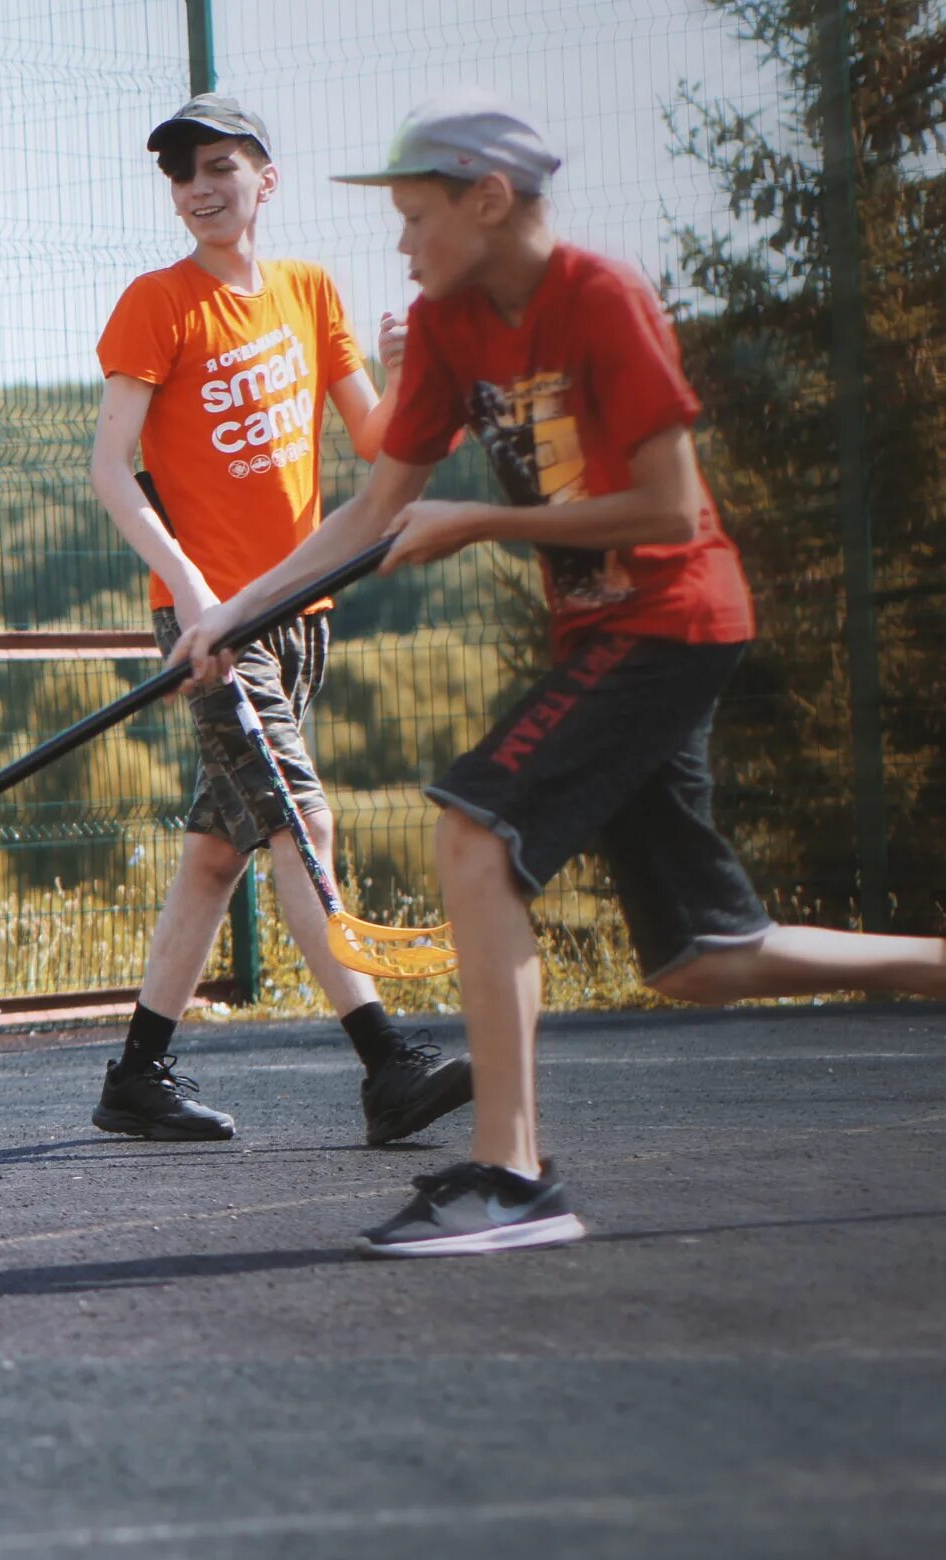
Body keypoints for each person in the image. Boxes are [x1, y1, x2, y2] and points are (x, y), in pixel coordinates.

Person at [175, 96, 946, 1256]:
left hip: (676, 617)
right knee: (701, 959)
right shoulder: (444, 325)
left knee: (472, 833)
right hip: (601, 638)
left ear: (489, 200)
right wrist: (232, 614)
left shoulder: (601, 300)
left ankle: (513, 1176)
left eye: (417, 216)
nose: (400, 244)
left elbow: (672, 509)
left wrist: (480, 518)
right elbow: (378, 506)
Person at [88, 93, 470, 1147]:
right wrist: (192, 594)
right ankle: (387, 1063)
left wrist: (409, 370)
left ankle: (137, 1075)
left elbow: (379, 444)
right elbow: (110, 471)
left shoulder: (309, 292)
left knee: (222, 848)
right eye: (182, 175)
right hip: (211, 626)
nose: (201, 188)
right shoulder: (156, 304)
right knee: (304, 818)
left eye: (220, 165)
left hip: (302, 611)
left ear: (268, 176)